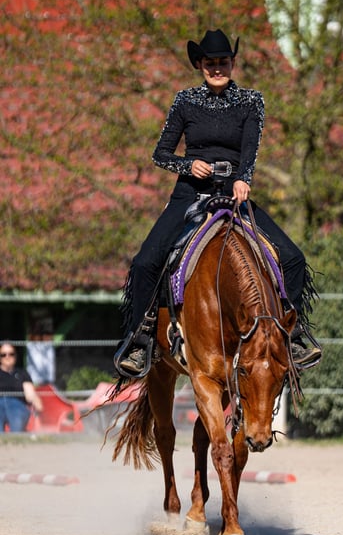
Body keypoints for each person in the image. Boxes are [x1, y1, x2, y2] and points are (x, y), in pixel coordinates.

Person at [118, 29, 322, 375]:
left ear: (232, 63)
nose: (217, 68)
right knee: (144, 262)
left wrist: (244, 178)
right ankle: (140, 340)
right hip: (190, 194)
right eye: (210, 63)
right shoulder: (185, 101)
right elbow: (160, 154)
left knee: (293, 258)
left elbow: (250, 148)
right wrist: (187, 165)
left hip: (234, 192)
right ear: (200, 65)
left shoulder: (252, 101)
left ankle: (294, 332)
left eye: (223, 62)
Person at [0, 342, 43, 432]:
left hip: (17, 404)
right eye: (3, 355)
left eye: (11, 354)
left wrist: (37, 402)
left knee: (17, 419)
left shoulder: (22, 373)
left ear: (15, 356)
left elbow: (30, 394)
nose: (7, 357)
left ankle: (16, 439)